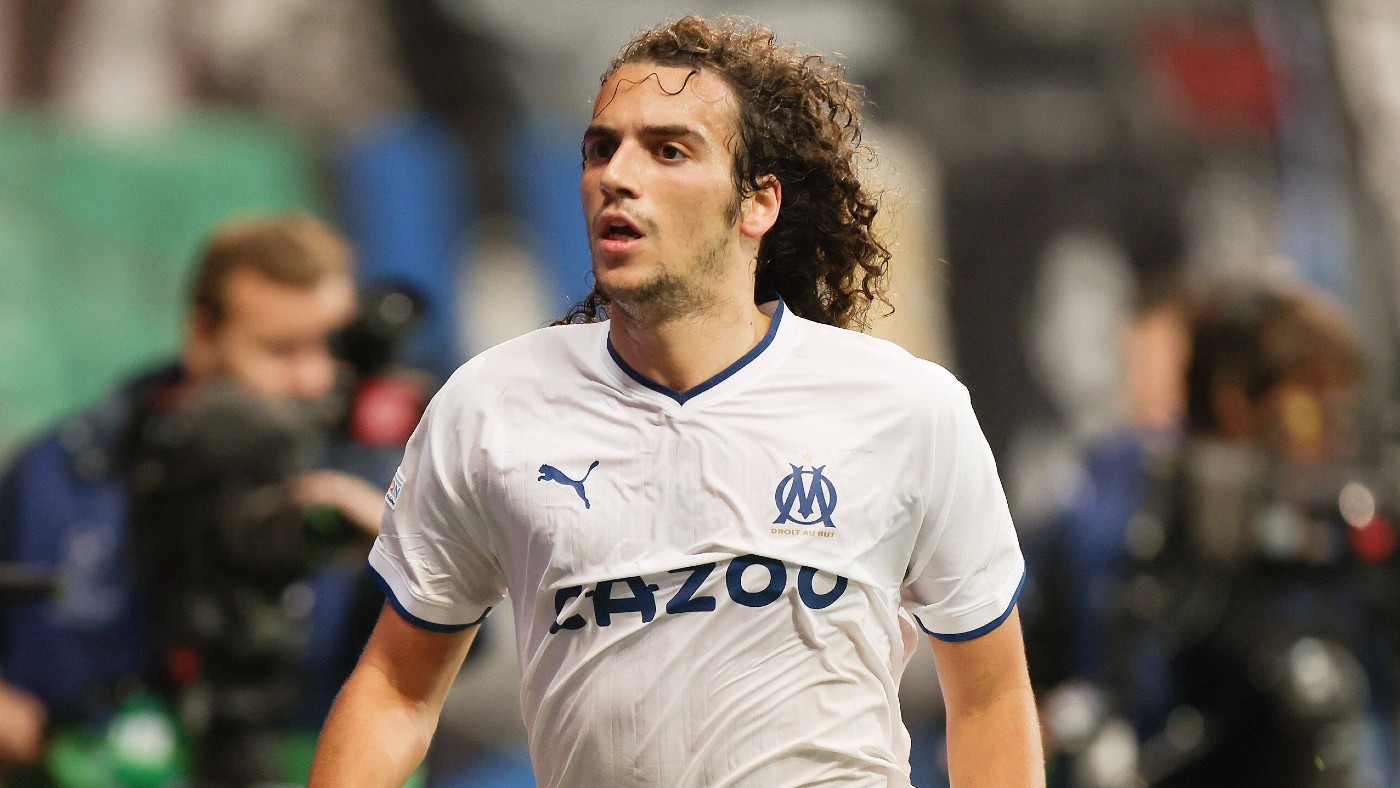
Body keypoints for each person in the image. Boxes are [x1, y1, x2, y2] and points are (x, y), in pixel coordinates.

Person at [311, 16, 1042, 787]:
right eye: (602, 148)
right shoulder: (489, 406)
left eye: (668, 151)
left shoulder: (907, 406)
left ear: (757, 203)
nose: (617, 176)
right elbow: (396, 691)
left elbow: (989, 698)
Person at [0, 213, 389, 776]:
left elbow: (446, 660)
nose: (314, 378)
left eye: (330, 346)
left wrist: (410, 551)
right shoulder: (63, 469)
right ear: (202, 336)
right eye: (281, 350)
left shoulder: (370, 478)